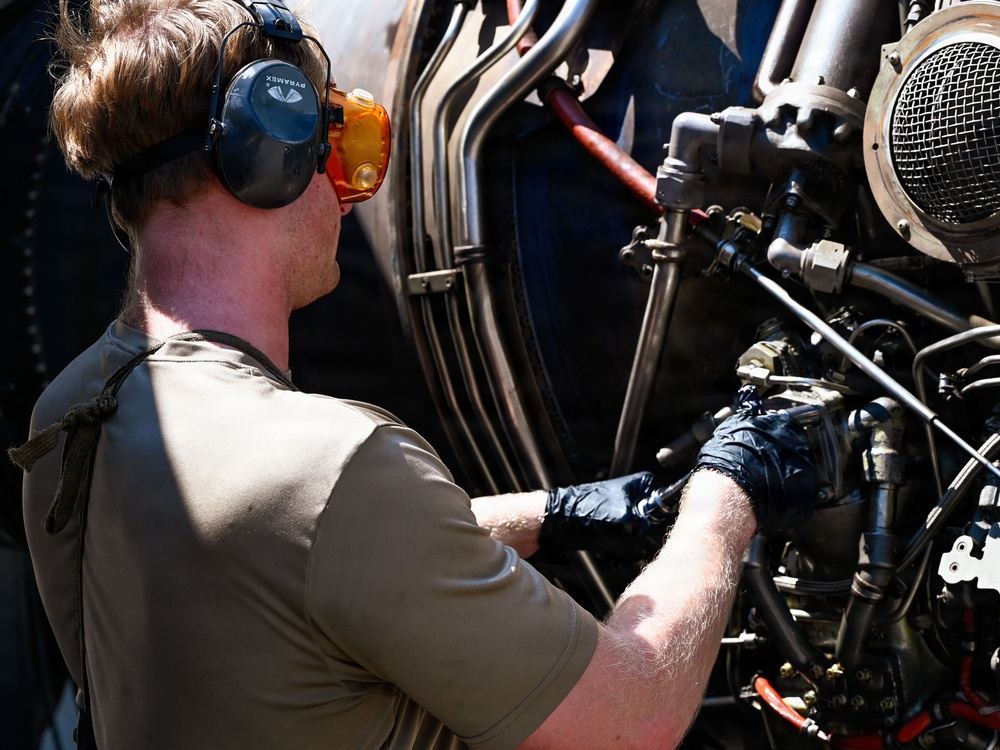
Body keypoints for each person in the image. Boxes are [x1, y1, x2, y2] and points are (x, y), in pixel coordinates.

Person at [10, 1, 818, 748]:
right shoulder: (335, 466)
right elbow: (632, 716)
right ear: (271, 151)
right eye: (338, 140)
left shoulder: (69, 424)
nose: (349, 191)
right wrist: (727, 492)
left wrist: (557, 513)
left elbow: (290, 561)